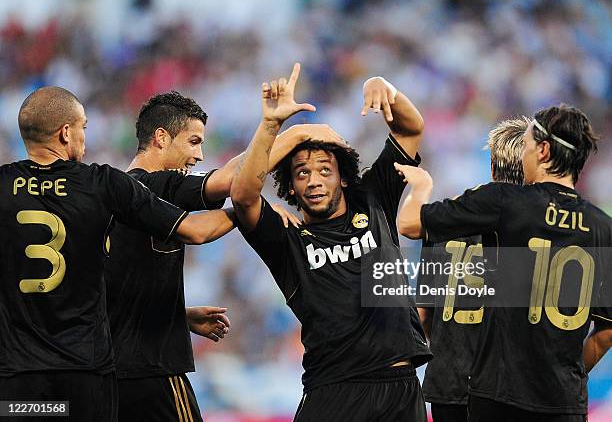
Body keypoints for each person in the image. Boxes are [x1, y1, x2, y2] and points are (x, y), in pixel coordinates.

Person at [0, 86, 234, 421]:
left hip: (16, 379)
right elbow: (196, 231)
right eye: (83, 127)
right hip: (86, 376)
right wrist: (249, 210)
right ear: (66, 133)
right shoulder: (103, 184)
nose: (84, 136)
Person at [105, 91, 336, 422]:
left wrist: (177, 315)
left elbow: (112, 292)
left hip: (110, 374)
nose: (199, 155)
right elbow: (232, 181)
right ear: (161, 138)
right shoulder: (154, 186)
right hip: (151, 369)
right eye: (193, 141)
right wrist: (293, 133)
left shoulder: (115, 196)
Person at [231, 63, 432, 421]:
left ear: (342, 178)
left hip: (401, 384)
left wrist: (382, 84)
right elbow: (243, 195)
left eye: (325, 169)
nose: (314, 180)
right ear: (290, 186)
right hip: (334, 387)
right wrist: (279, 130)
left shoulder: (372, 200)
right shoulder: (285, 238)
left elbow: (411, 127)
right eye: (302, 172)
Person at [398, 104, 612, 422]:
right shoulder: (603, 226)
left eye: (526, 145)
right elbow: (607, 330)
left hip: (494, 392)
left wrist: (421, 188)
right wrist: (570, 373)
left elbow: (410, 227)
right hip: (563, 400)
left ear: (542, 150)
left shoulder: (506, 203)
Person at [415, 117, 527, 422]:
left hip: (449, 380)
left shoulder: (446, 217)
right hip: (512, 386)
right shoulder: (541, 227)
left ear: (492, 167)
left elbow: (424, 314)